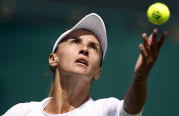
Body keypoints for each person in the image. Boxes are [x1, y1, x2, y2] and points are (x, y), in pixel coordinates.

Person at [3, 13, 167, 116]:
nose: (85, 50)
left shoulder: (104, 111)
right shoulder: (20, 112)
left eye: (93, 47)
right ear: (53, 58)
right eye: (75, 42)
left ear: (98, 72)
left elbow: (131, 109)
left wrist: (140, 77)